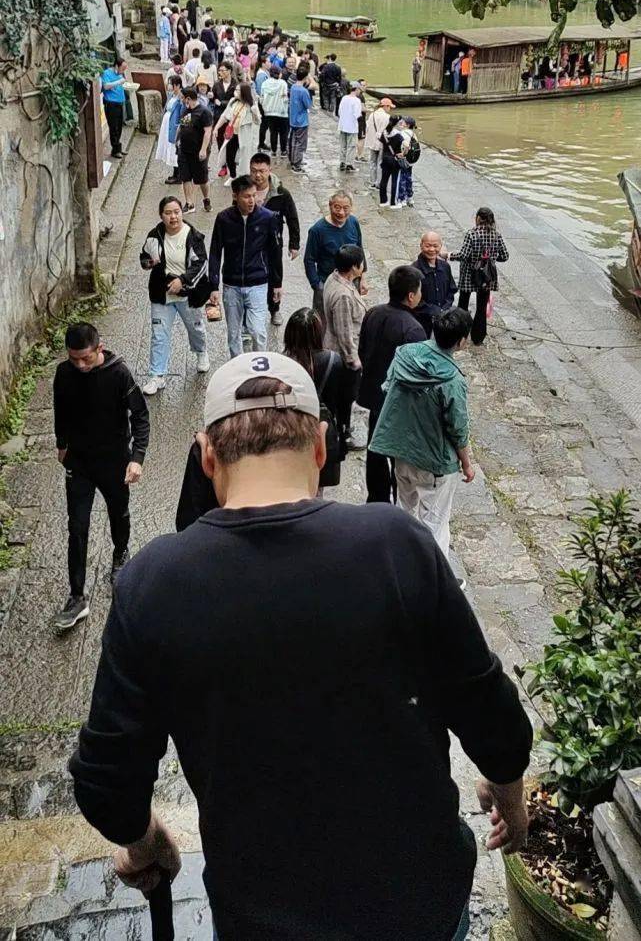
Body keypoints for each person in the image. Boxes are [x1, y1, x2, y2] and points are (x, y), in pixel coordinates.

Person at [70, 352, 532, 941]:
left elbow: (106, 779)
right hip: (417, 902)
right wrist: (508, 792)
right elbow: (488, 708)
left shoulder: (153, 582)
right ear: (319, 446)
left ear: (206, 456)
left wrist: (145, 840)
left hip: (260, 915)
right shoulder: (396, 544)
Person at [52, 322, 149, 634]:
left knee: (118, 513)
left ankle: (120, 554)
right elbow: (60, 409)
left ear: (100, 348)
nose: (80, 365)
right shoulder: (63, 373)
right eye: (74, 359)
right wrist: (61, 444)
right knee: (76, 526)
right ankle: (76, 596)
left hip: (114, 462)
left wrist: (136, 458)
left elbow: (141, 416)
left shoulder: (119, 374)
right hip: (79, 463)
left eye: (86, 358)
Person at [370, 307, 475, 566]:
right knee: (435, 524)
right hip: (434, 462)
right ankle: (434, 579)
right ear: (461, 341)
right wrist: (467, 463)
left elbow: (386, 387)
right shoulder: (452, 380)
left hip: (401, 452)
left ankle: (403, 567)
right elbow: (458, 427)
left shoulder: (404, 355)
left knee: (405, 512)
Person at [359, 265, 425, 504]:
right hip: (397, 403)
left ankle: (376, 500)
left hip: (373, 394)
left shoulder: (373, 313)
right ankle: (398, 502)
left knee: (375, 448)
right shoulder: (413, 330)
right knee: (398, 457)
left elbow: (362, 350)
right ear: (411, 295)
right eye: (419, 291)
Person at [140, 196, 210, 396]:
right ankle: (157, 375)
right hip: (162, 295)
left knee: (195, 329)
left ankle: (201, 352)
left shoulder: (192, 236)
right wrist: (149, 263)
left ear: (182, 212)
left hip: (188, 294)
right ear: (161, 216)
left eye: (177, 212)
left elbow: (201, 263)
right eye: (168, 213)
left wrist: (183, 280)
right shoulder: (154, 236)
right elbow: (143, 257)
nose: (173, 217)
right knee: (159, 334)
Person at [208, 175, 283, 357]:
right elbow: (215, 252)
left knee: (257, 330)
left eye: (253, 195)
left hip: (258, 282)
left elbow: (275, 252)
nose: (251, 201)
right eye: (246, 196)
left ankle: (260, 363)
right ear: (235, 196)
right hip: (231, 284)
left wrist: (277, 283)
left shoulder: (267, 218)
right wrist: (213, 285)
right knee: (234, 333)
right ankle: (237, 365)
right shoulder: (223, 219)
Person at [284, 307, 351, 491]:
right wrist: (344, 432)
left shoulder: (283, 363)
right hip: (322, 428)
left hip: (290, 430)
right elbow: (343, 403)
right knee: (317, 484)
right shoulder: (333, 361)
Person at [250, 152, 300, 327]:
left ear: (269, 170)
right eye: (254, 171)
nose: (258, 175)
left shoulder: (281, 193)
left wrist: (294, 244)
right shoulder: (246, 191)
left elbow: (292, 218)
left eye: (262, 171)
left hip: (273, 243)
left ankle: (274, 309)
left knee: (275, 276)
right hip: (251, 242)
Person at [323, 243, 367, 438]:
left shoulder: (335, 278)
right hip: (342, 356)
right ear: (354, 267)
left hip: (337, 350)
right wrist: (353, 361)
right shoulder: (342, 295)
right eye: (361, 263)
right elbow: (344, 332)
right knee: (344, 398)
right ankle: (343, 433)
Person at [450, 206, 509, 347]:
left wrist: (449, 256)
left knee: (463, 305)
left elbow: (464, 255)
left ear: (478, 218)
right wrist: (490, 259)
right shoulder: (496, 235)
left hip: (469, 273)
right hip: (486, 276)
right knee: (482, 307)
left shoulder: (472, 234)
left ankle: (460, 335)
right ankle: (478, 337)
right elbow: (505, 256)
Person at [304, 190, 364, 320]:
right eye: (337, 207)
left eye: (346, 208)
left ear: (351, 208)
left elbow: (360, 249)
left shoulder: (353, 222)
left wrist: (362, 277)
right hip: (327, 283)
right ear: (330, 206)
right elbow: (309, 260)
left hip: (352, 282)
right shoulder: (317, 230)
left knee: (351, 318)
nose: (341, 212)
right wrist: (317, 286)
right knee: (323, 321)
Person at [176, 86, 213, 215]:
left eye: (182, 98)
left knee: (202, 179)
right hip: (184, 150)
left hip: (198, 151)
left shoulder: (204, 112)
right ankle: (189, 203)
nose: (181, 100)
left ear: (188, 98)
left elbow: (207, 132)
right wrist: (177, 139)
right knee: (185, 177)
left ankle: (206, 199)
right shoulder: (186, 110)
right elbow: (183, 126)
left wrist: (203, 150)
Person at [413, 230, 458, 335]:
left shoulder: (445, 267)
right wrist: (434, 310)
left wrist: (445, 309)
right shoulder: (414, 270)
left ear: (440, 246)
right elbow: (413, 298)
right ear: (421, 246)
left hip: (443, 320)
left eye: (435, 246)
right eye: (427, 246)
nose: (432, 249)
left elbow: (451, 290)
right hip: (422, 322)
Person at [218, 82, 260, 182]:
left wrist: (255, 113)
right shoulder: (233, 102)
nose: (235, 92)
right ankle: (232, 176)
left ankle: (243, 177)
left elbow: (258, 121)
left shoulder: (251, 105)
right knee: (229, 156)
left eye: (237, 90)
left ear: (244, 92)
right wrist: (216, 128)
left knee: (244, 158)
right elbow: (225, 116)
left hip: (244, 135)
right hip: (232, 134)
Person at [155, 74, 183, 184]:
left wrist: (179, 127)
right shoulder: (171, 95)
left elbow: (183, 114)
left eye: (171, 84)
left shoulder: (181, 98)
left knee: (174, 149)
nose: (169, 85)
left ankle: (178, 175)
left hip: (174, 125)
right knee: (169, 147)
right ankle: (175, 174)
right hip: (167, 124)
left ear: (177, 85)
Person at [288, 63, 314, 172]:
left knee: (293, 140)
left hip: (293, 118)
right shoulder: (304, 91)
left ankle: (293, 160)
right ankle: (297, 164)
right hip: (301, 120)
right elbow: (308, 105)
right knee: (300, 143)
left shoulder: (293, 87)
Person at [260, 66, 290, 158]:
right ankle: (283, 151)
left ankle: (273, 151)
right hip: (281, 112)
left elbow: (261, 98)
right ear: (279, 73)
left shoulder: (265, 83)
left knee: (273, 132)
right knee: (283, 133)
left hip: (269, 112)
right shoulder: (283, 83)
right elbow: (285, 98)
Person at [101, 56, 127, 159]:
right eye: (122, 69)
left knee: (119, 127)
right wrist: (119, 82)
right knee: (114, 127)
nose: (123, 71)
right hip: (111, 104)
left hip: (120, 102)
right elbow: (106, 86)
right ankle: (115, 150)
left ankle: (118, 148)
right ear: (116, 66)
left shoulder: (120, 74)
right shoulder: (107, 73)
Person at [365, 96, 394, 187]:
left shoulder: (372, 115)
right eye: (389, 107)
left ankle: (372, 181)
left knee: (372, 162)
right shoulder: (387, 117)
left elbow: (368, 128)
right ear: (385, 106)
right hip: (382, 143)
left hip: (372, 142)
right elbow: (389, 132)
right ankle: (379, 183)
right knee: (381, 162)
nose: (390, 109)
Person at [379, 115, 404, 208]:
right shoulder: (398, 135)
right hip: (394, 159)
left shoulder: (384, 133)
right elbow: (405, 146)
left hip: (385, 158)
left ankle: (383, 201)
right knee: (395, 181)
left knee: (384, 180)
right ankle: (393, 203)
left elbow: (382, 142)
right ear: (396, 124)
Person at [337, 81, 362, 172]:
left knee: (343, 145)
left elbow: (339, 111)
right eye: (359, 89)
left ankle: (342, 162)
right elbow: (357, 114)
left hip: (342, 125)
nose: (360, 91)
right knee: (351, 146)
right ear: (356, 89)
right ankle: (349, 164)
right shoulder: (357, 100)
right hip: (352, 126)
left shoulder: (344, 98)